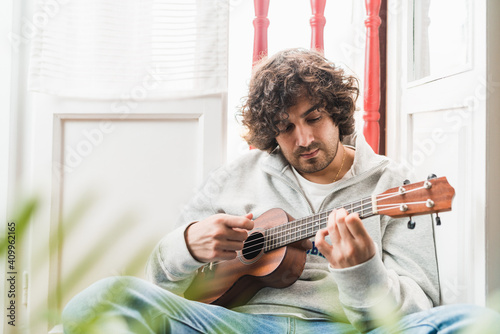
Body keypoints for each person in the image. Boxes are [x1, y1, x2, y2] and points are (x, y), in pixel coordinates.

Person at [62, 48, 500, 333]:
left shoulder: (396, 187)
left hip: (337, 326)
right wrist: (186, 245)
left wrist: (363, 274)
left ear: (338, 114)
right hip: (232, 324)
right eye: (286, 128)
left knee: (473, 322)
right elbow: (163, 282)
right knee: (102, 298)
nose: (304, 139)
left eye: (314, 119)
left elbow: (415, 311)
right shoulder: (235, 175)